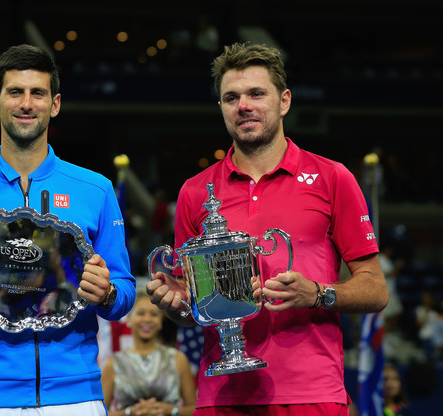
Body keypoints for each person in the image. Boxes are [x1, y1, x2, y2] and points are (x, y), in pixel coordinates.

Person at [147, 42, 388, 416]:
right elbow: (192, 306)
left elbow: (375, 288)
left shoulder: (331, 177)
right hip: (223, 393)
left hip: (311, 391)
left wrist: (316, 293)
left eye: (256, 93)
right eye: (231, 97)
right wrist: (174, 304)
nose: (243, 105)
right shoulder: (195, 192)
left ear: (284, 101)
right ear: (222, 109)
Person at [0, 44, 135, 415]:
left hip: (76, 395)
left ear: (55, 103)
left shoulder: (95, 190)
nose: (26, 103)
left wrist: (109, 294)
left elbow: (124, 289)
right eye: (15, 92)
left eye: (38, 93)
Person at [101, 292, 197, 416]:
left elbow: (194, 409)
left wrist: (172, 411)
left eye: (153, 314)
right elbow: (101, 412)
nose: (147, 319)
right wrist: (129, 413)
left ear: (161, 320)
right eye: (141, 313)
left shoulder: (178, 359)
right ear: (129, 319)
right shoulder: (113, 363)